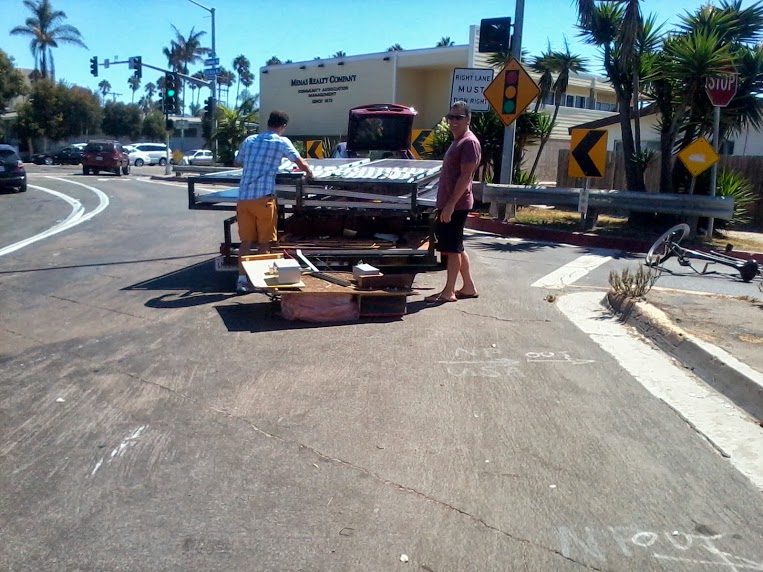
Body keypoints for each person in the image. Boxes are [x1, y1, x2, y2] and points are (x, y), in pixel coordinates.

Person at [233, 110, 313, 294]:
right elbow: (299, 162)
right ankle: (261, 282)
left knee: (245, 242)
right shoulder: (281, 141)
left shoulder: (250, 140)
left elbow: (237, 162)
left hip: (244, 199)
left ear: (268, 122)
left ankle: (242, 281)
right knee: (264, 243)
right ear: (282, 127)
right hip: (263, 200)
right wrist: (310, 173)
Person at [426, 101, 481, 304]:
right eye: (451, 117)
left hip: (456, 205)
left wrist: (450, 205)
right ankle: (468, 286)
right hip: (450, 203)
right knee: (457, 246)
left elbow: (466, 176)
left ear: (468, 119)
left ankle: (448, 291)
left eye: (458, 117)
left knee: (451, 248)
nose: (453, 121)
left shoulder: (469, 143)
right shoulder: (458, 141)